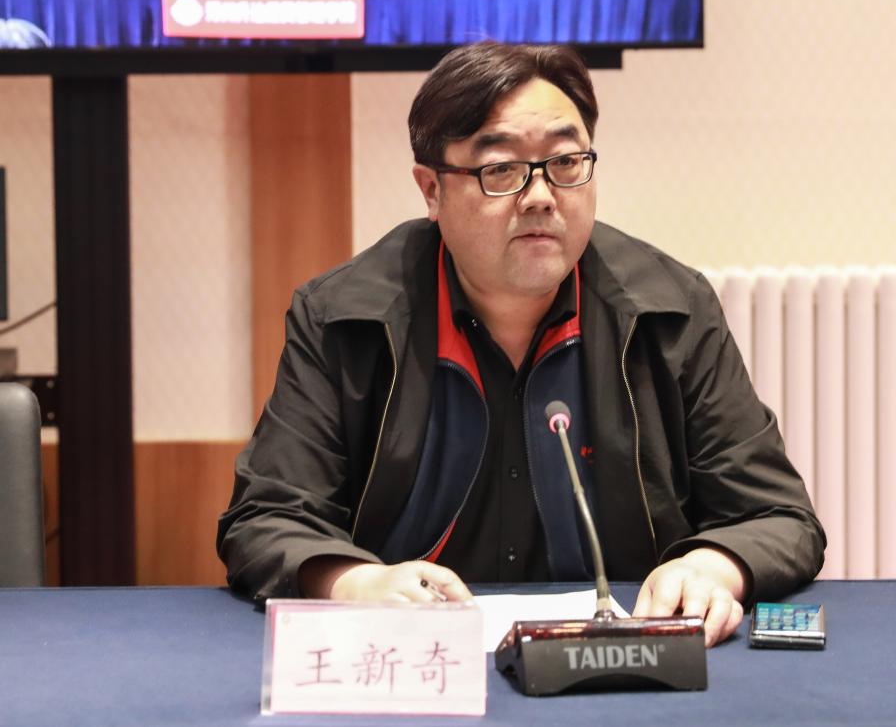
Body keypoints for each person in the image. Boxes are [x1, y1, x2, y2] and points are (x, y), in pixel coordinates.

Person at [217, 42, 826, 649]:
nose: (540, 195)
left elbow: (776, 515)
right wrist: (353, 582)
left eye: (566, 161)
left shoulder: (671, 311)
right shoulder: (344, 319)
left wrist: (712, 566)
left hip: (615, 663)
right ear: (431, 190)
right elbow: (267, 517)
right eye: (502, 169)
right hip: (416, 663)